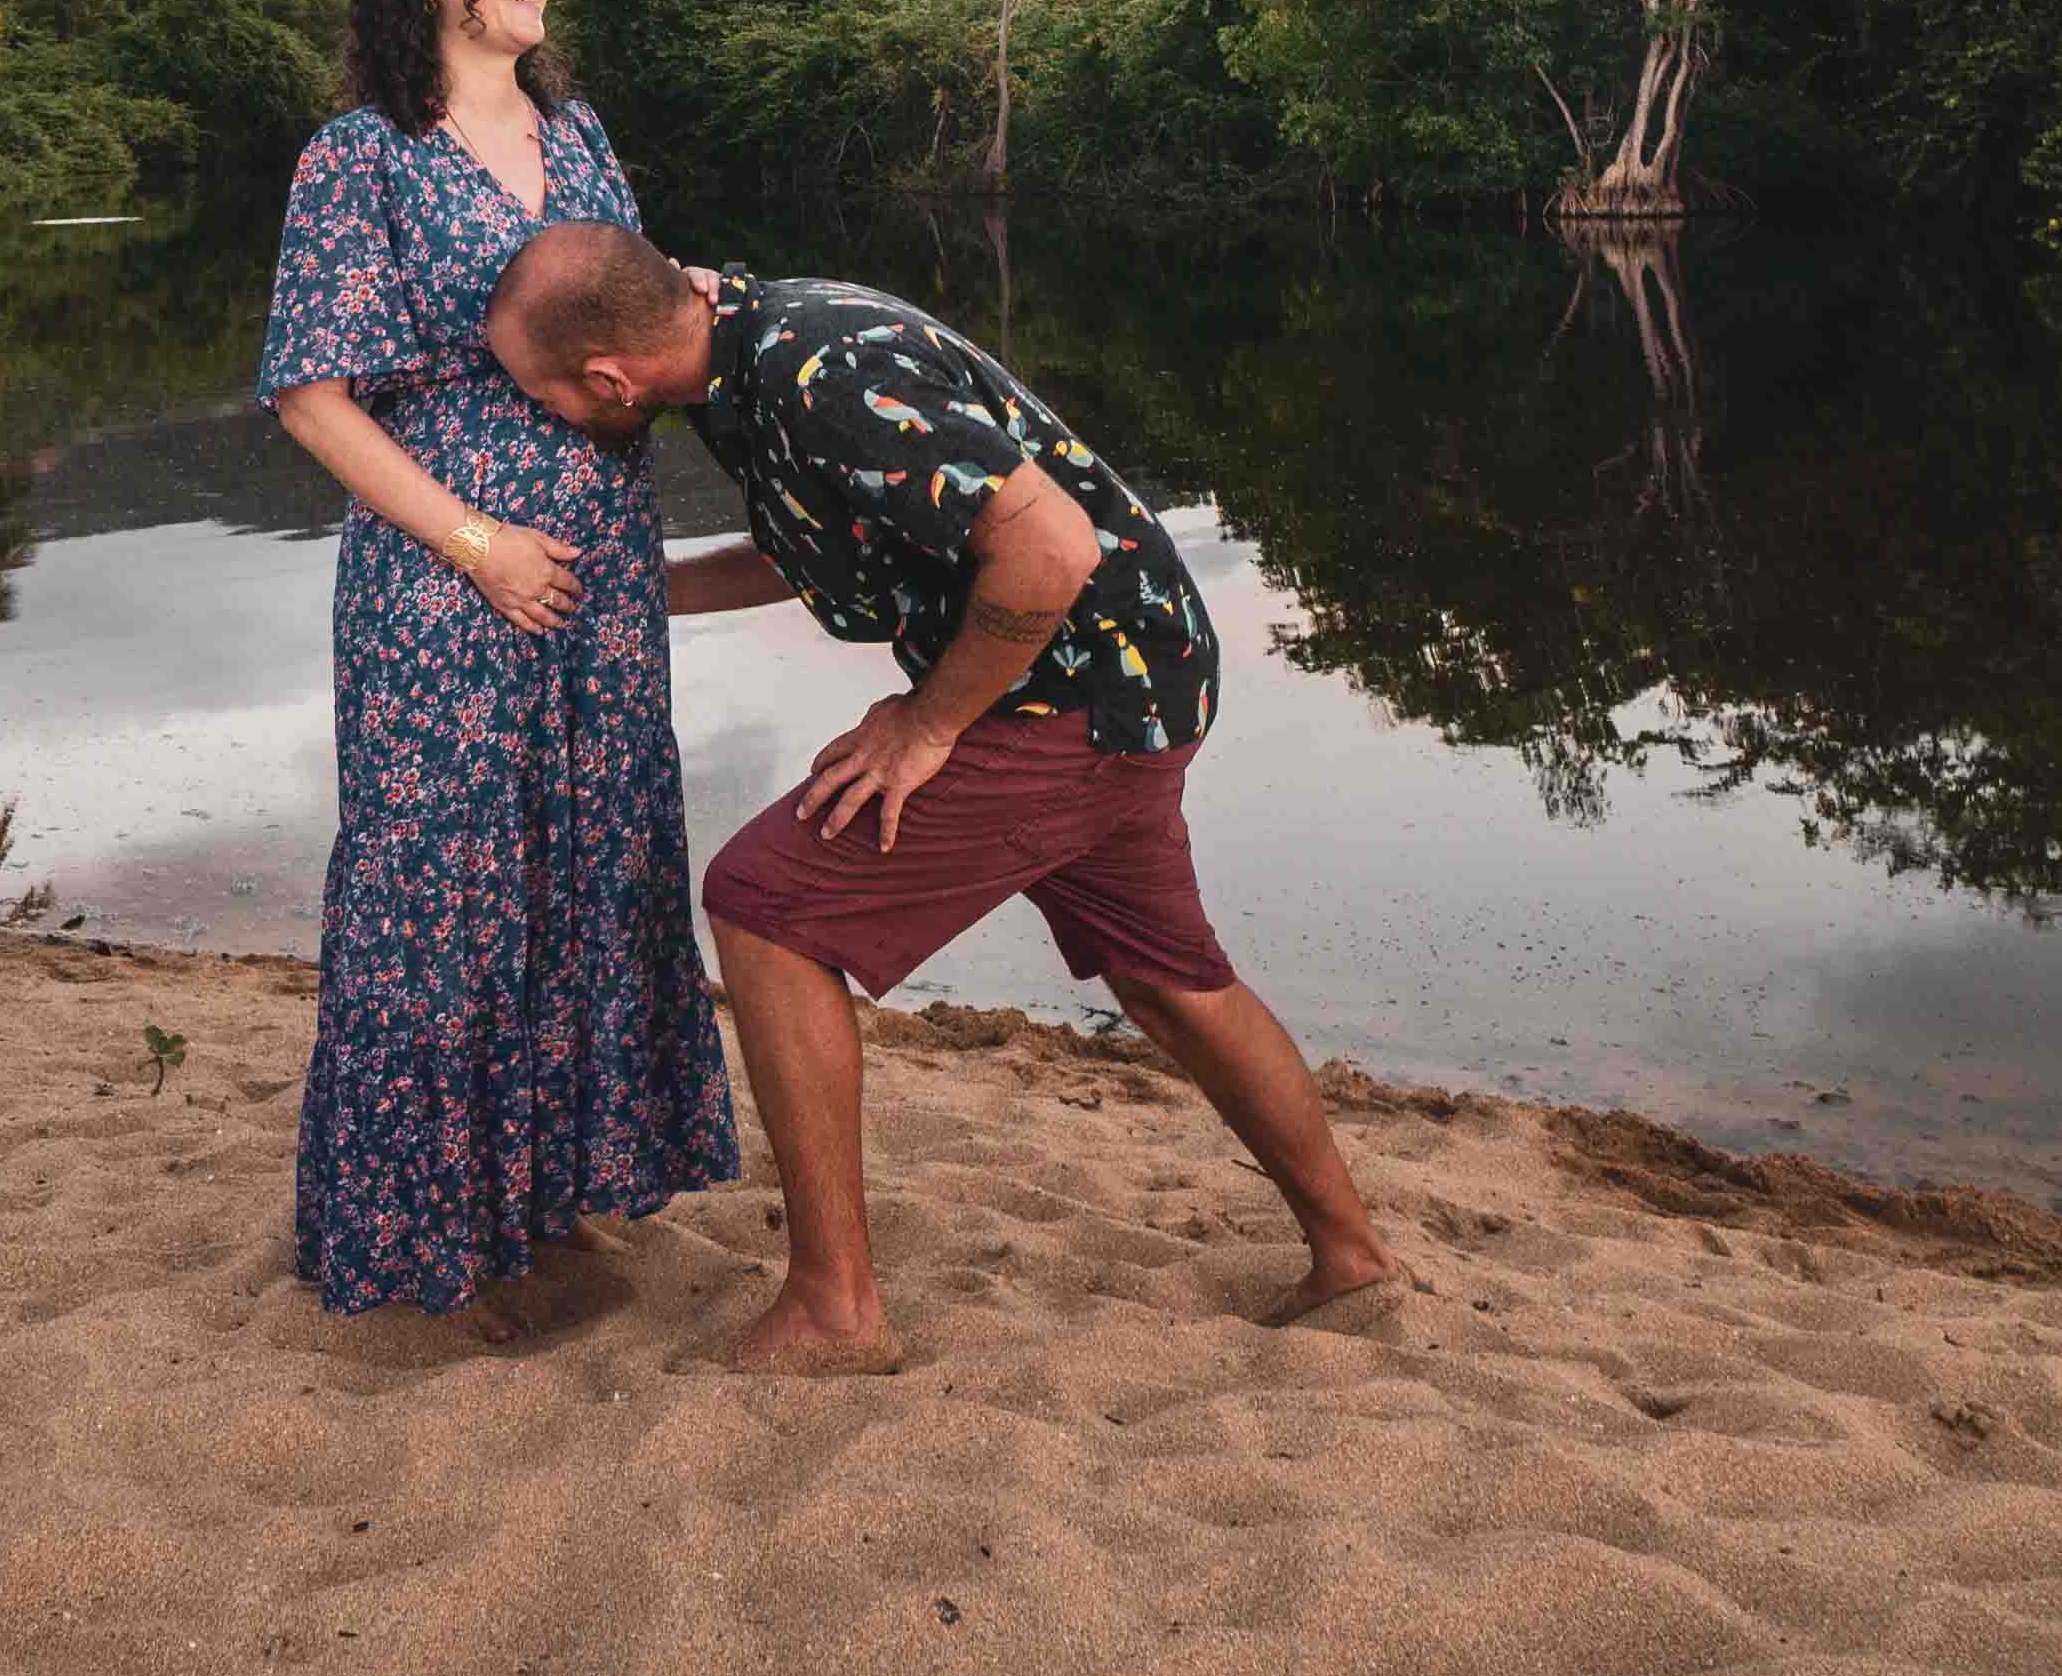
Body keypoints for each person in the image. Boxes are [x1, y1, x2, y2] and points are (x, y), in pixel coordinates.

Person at [484, 221, 1404, 1375]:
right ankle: (1353, 1256)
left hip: (1079, 690)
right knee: (1169, 980)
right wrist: (636, 595)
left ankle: (834, 1308)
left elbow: (1050, 550)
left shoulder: (825, 376)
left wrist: (928, 724)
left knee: (766, 905)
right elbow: (820, 539)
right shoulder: (741, 351)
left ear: (610, 377)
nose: (553, 419)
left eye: (547, 399)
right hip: (1134, 674)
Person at [255, 0, 736, 1338]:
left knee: (586, 865)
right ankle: (410, 1229)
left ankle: (547, 1190)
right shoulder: (361, 157)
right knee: (438, 882)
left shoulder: (580, 133)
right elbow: (312, 399)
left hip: (596, 569)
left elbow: (632, 321)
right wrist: (478, 544)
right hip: (443, 578)